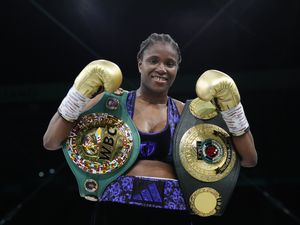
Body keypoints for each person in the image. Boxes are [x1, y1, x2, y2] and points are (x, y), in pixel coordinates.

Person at [43, 33, 257, 225]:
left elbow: (249, 158)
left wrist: (233, 108)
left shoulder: (188, 115)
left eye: (170, 63)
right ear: (140, 64)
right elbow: (51, 141)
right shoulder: (112, 105)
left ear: (177, 69)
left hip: (172, 211)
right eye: (153, 60)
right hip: (117, 208)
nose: (161, 69)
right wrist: (79, 93)